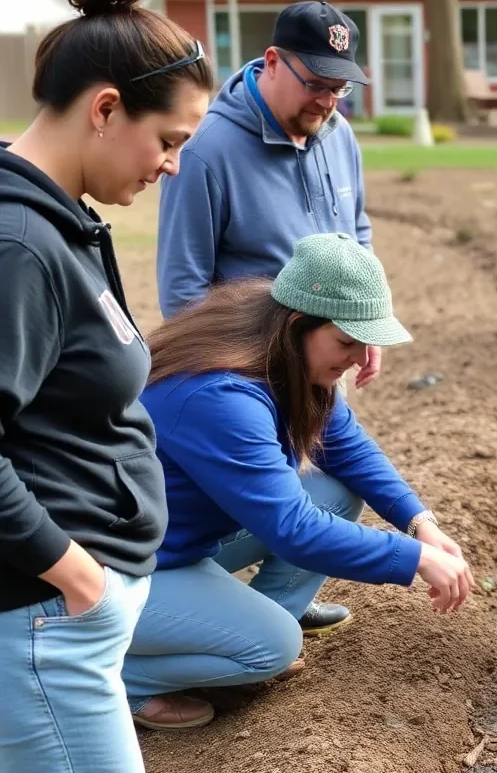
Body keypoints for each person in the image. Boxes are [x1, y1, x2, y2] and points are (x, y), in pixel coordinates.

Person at [0, 0, 213, 773]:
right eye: (168, 139)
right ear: (103, 109)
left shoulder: (59, 219)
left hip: (63, 608)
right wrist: (74, 574)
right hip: (46, 612)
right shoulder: (19, 245)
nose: (171, 166)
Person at [122, 233, 475, 730]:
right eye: (346, 341)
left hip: (177, 542)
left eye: (365, 341)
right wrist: (415, 559)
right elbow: (293, 529)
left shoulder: (276, 348)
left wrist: (421, 523)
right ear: (297, 324)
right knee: (274, 645)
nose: (358, 358)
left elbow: (349, 448)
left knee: (332, 493)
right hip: (121, 572)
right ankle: (120, 677)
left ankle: (226, 637)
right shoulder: (222, 393)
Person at [157, 0, 377, 636]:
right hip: (246, 372)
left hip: (315, 355)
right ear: (272, 62)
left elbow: (357, 230)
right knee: (266, 498)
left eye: (339, 88)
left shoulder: (340, 136)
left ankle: (280, 606)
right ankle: (202, 613)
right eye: (316, 85)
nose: (328, 102)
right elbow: (182, 285)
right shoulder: (207, 151)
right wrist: (220, 381)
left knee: (336, 477)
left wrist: (363, 325)